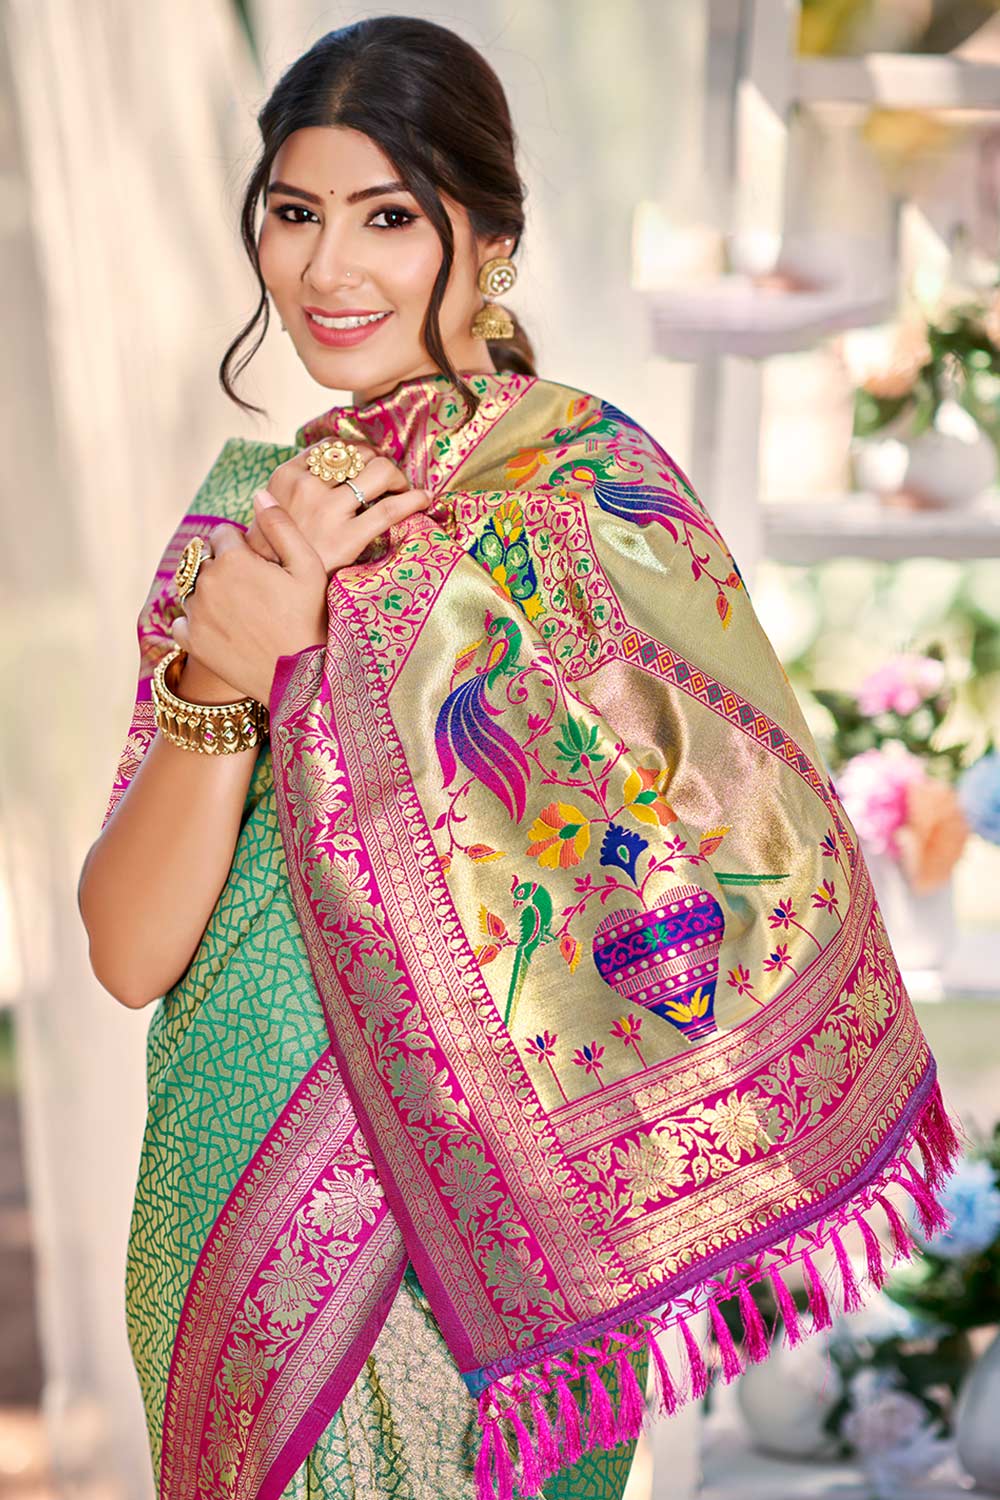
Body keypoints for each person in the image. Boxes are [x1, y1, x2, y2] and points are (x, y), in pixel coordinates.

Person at [77, 17, 961, 1500]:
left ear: (488, 239)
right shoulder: (250, 515)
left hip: (517, 1250)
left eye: (388, 218)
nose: (327, 269)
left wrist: (371, 647)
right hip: (243, 1212)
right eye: (294, 214)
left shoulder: (591, 498)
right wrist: (225, 668)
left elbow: (745, 837)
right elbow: (126, 946)